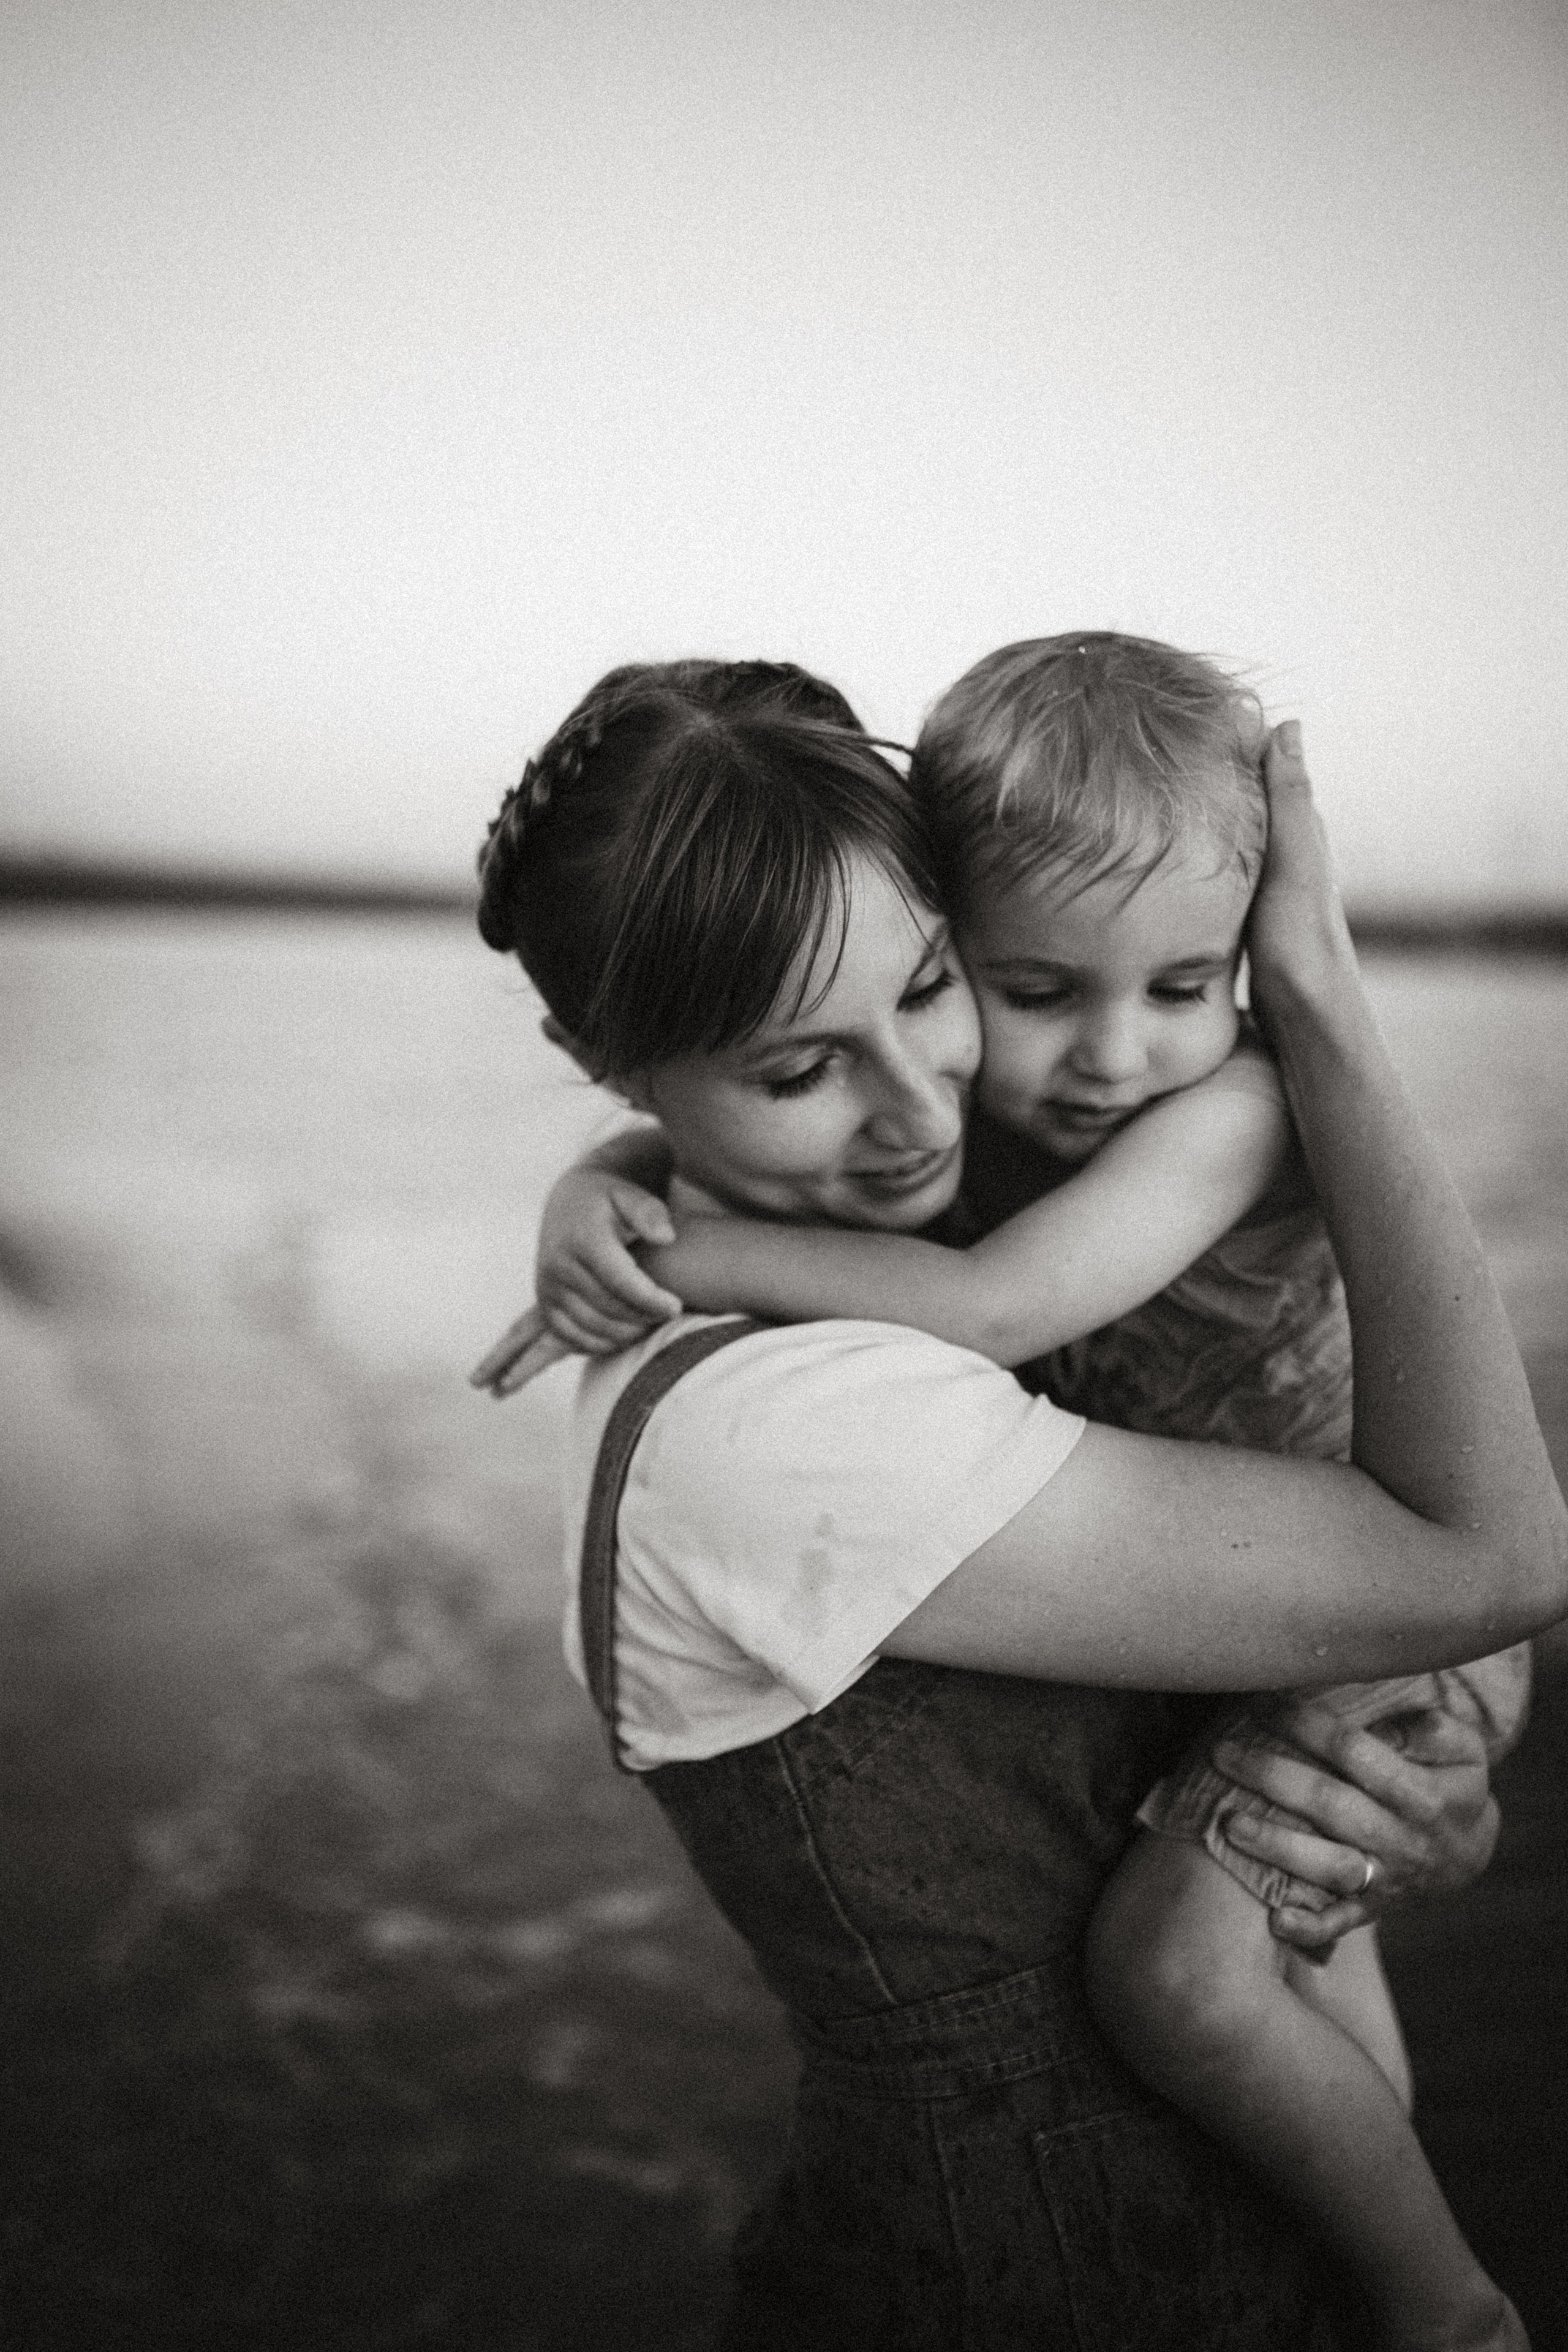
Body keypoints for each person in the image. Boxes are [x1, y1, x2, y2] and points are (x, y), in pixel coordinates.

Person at [469, 659, 1566, 2348]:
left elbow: (999, 1318)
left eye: (928, 991)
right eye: (796, 1072)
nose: (924, 1114)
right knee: (1194, 1980)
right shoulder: (775, 1423)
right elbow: (1486, 1560)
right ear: (607, 1060)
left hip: (1200, 2232)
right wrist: (608, 1192)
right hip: (1020, 2277)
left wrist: (1414, 1825)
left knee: (1257, 1993)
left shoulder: (973, 1217)